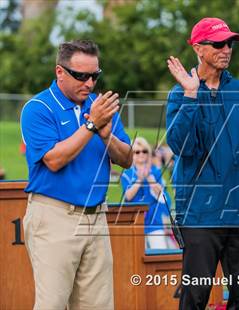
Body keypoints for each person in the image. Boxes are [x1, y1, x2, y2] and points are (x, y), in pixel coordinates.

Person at [166, 17, 239, 309]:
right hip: (200, 215)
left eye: (230, 43)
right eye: (219, 43)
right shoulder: (179, 94)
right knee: (195, 298)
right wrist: (190, 95)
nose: (227, 49)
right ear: (199, 48)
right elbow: (180, 146)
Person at [20, 40, 132, 309]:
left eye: (95, 75)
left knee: (99, 306)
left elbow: (127, 158)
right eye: (81, 76)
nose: (89, 83)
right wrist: (93, 124)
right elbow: (55, 160)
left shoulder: (100, 106)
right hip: (55, 216)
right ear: (60, 72)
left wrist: (107, 136)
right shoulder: (38, 108)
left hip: (97, 218)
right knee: (52, 305)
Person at [121, 137, 176, 249]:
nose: (141, 154)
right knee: (137, 257)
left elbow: (162, 194)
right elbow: (128, 196)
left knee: (160, 254)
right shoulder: (127, 173)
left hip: (155, 222)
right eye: (137, 152)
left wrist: (150, 178)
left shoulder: (155, 170)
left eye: (144, 151)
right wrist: (140, 180)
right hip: (135, 222)